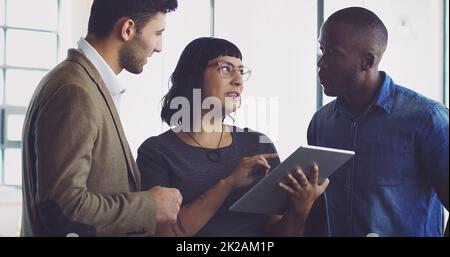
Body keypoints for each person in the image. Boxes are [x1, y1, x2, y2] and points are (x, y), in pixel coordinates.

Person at [137, 37, 329, 237]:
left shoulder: (258, 144)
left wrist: (300, 209)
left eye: (241, 71)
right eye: (225, 69)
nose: (238, 80)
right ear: (193, 76)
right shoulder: (156, 151)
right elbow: (162, 234)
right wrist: (228, 184)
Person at [21, 0, 182, 236]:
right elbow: (63, 210)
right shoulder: (75, 90)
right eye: (157, 33)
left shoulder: (85, 82)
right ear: (127, 29)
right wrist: (149, 206)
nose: (159, 47)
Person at [308, 7, 449, 236]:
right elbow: (318, 211)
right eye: (322, 50)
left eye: (332, 53)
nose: (321, 62)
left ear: (367, 61)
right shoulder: (321, 123)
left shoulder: (427, 120)